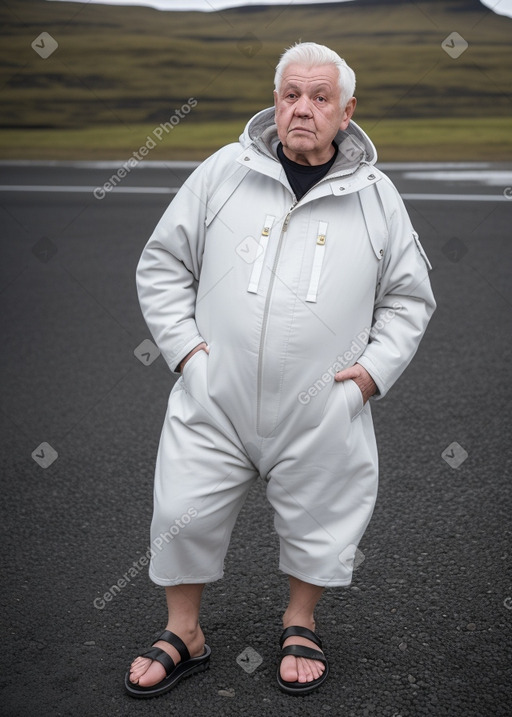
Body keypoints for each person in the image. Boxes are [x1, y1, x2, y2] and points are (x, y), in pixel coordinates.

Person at [125, 41, 436, 698]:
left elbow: (409, 296)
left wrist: (374, 372)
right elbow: (162, 264)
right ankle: (184, 631)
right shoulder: (223, 172)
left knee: (322, 515)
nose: (303, 108)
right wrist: (186, 350)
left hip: (321, 403)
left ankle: (301, 620)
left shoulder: (377, 197)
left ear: (346, 111)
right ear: (275, 101)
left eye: (320, 97)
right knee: (182, 505)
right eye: (291, 94)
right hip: (216, 393)